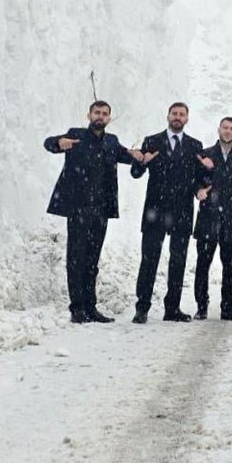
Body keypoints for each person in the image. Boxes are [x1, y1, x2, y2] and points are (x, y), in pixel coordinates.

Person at [44, 100, 145, 323]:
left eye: (104, 113)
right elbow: (48, 144)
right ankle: (77, 308)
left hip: (101, 209)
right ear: (89, 115)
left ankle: (91, 307)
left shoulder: (111, 141)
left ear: (109, 118)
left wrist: (140, 158)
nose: (100, 116)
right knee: (76, 258)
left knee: (92, 260)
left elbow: (129, 158)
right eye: (97, 112)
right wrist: (59, 143)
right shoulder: (76, 135)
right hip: (78, 207)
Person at [130, 102, 204, 324]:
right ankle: (142, 308)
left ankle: (172, 308)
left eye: (182, 114)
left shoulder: (195, 145)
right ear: (168, 116)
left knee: (178, 261)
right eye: (175, 114)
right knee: (148, 260)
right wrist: (143, 163)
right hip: (155, 210)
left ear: (187, 119)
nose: (178, 117)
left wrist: (200, 188)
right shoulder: (152, 141)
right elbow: (135, 173)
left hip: (182, 211)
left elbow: (198, 178)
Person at [193, 117, 232, 320]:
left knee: (229, 267)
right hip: (207, 217)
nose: (228, 132)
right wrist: (198, 191)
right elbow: (194, 180)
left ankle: (227, 308)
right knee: (203, 264)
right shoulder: (206, 154)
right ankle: (201, 306)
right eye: (225, 128)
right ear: (218, 129)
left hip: (230, 219)